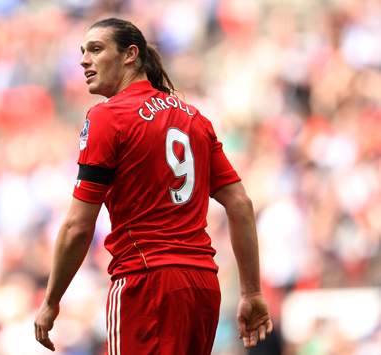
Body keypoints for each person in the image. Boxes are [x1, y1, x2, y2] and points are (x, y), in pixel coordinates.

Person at [34, 17, 272, 354]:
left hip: (145, 283)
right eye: (83, 51)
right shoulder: (194, 118)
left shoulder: (107, 117)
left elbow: (77, 226)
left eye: (96, 49)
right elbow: (240, 204)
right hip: (202, 285)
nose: (84, 60)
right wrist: (251, 292)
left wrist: (51, 301)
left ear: (131, 54)